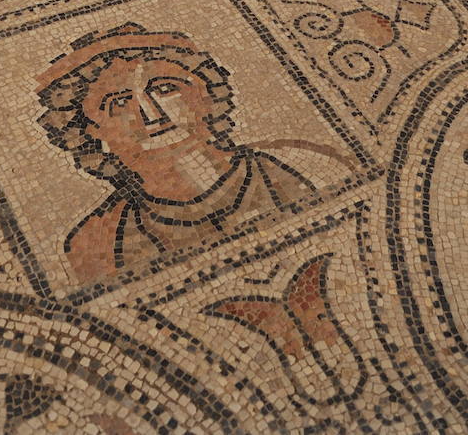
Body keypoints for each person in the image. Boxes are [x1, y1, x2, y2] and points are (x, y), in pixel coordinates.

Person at [37, 23, 352, 283]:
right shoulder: (94, 242)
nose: (152, 115)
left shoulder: (308, 165)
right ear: (94, 133)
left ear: (204, 95)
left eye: (164, 88)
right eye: (119, 104)